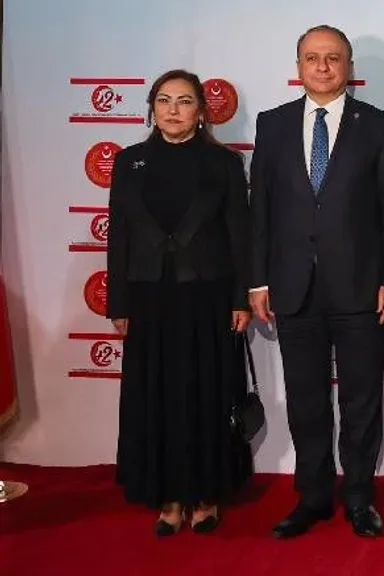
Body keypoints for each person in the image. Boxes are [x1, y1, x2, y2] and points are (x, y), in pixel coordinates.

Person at [249, 25, 384, 539]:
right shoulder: (272, 124)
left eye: (333, 58)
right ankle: (313, 496)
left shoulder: (378, 126)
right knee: (306, 400)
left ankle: (359, 497)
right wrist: (257, 281)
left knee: (361, 401)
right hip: (293, 286)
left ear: (349, 66)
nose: (322, 67)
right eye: (312, 58)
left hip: (361, 288)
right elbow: (260, 208)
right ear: (298, 65)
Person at [107, 69, 252, 536]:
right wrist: (118, 303)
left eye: (184, 100)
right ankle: (167, 497)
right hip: (148, 299)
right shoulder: (129, 162)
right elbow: (119, 237)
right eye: (164, 100)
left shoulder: (224, 164)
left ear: (201, 111)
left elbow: (239, 237)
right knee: (156, 398)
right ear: (152, 108)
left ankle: (206, 495)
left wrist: (241, 298)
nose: (173, 109)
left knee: (206, 394)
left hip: (207, 298)